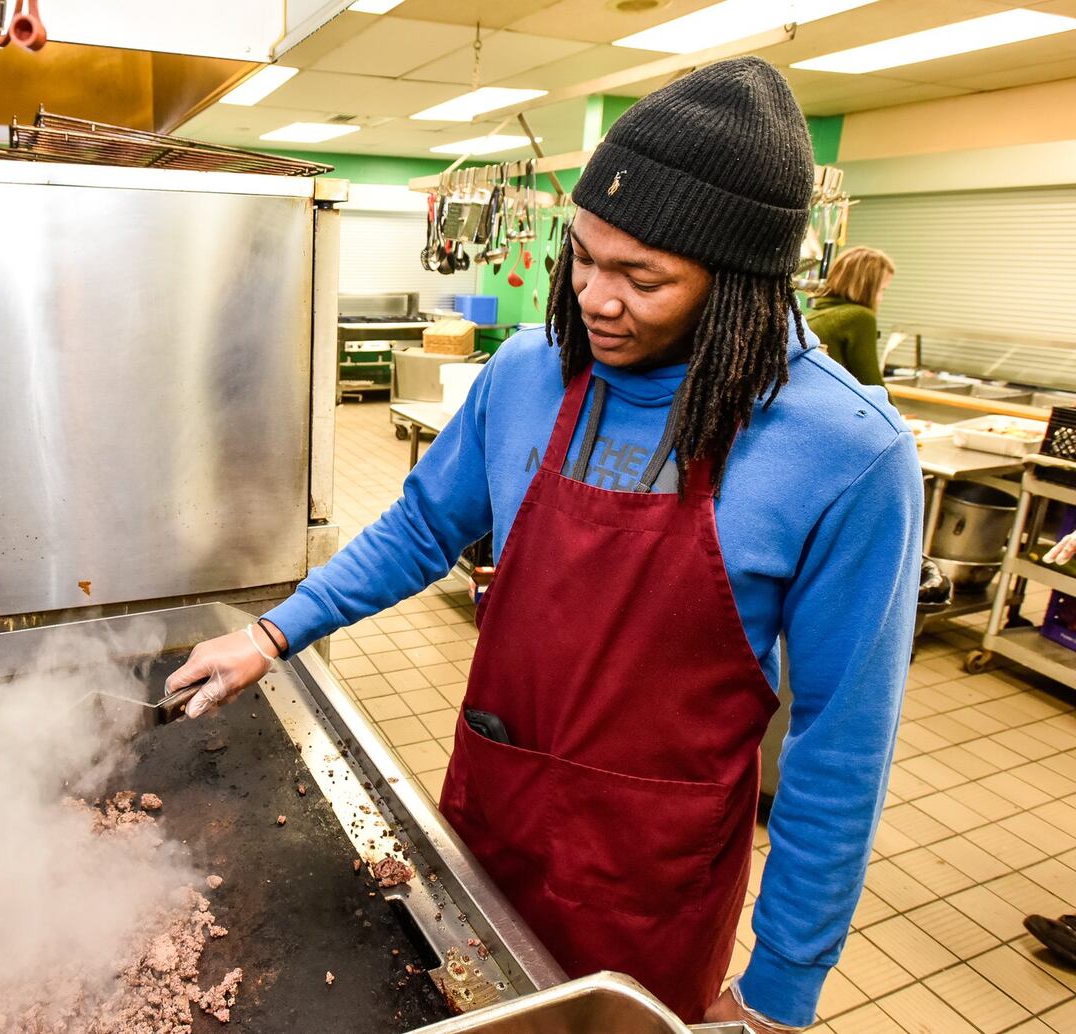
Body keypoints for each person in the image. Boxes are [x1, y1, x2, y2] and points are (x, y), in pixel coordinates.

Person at [167, 58, 921, 1032]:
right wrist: (273, 633)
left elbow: (841, 742)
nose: (596, 298)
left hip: (650, 876)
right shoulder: (529, 371)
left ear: (739, 282)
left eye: (641, 277)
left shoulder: (845, 452)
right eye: (584, 256)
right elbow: (422, 527)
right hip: (491, 816)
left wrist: (785, 977)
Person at [805, 246, 895, 388]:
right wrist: (894, 411)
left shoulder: (815, 315)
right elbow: (871, 383)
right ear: (865, 286)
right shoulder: (859, 317)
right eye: (881, 289)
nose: (881, 298)